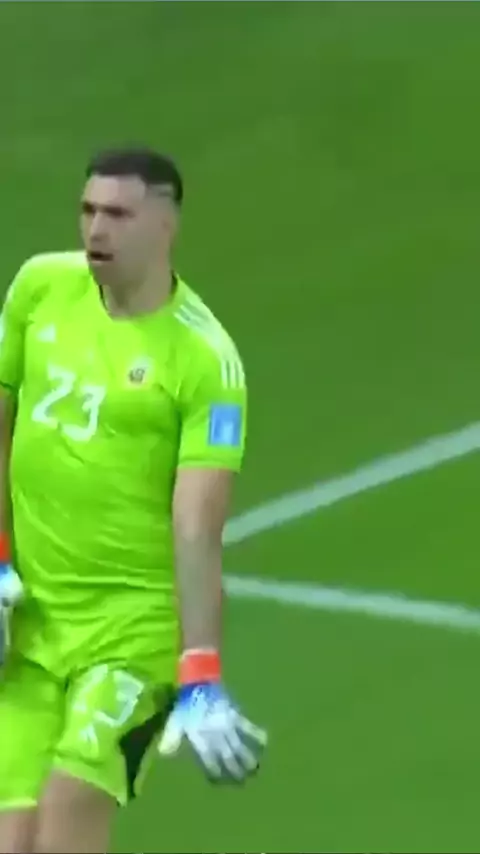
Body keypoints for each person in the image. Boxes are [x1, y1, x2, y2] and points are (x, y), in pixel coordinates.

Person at [0, 146, 267, 854]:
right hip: (29, 627)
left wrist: (200, 671)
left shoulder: (204, 360)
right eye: (88, 210)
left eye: (118, 214)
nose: (96, 230)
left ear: (165, 225)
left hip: (133, 639)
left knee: (68, 813)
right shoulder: (39, 289)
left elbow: (197, 525)